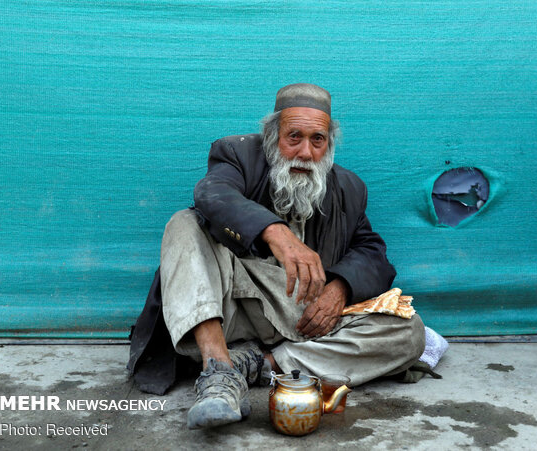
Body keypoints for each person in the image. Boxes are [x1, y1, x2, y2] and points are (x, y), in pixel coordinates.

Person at [141, 83, 425, 429]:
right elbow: (211, 194)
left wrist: (341, 289)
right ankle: (219, 372)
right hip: (229, 301)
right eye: (294, 137)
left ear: (328, 145)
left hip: (300, 313)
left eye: (317, 140)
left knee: (409, 331)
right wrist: (277, 233)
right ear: (273, 137)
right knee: (184, 223)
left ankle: (259, 364)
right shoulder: (237, 154)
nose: (305, 152)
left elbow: (372, 251)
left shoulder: (349, 189)